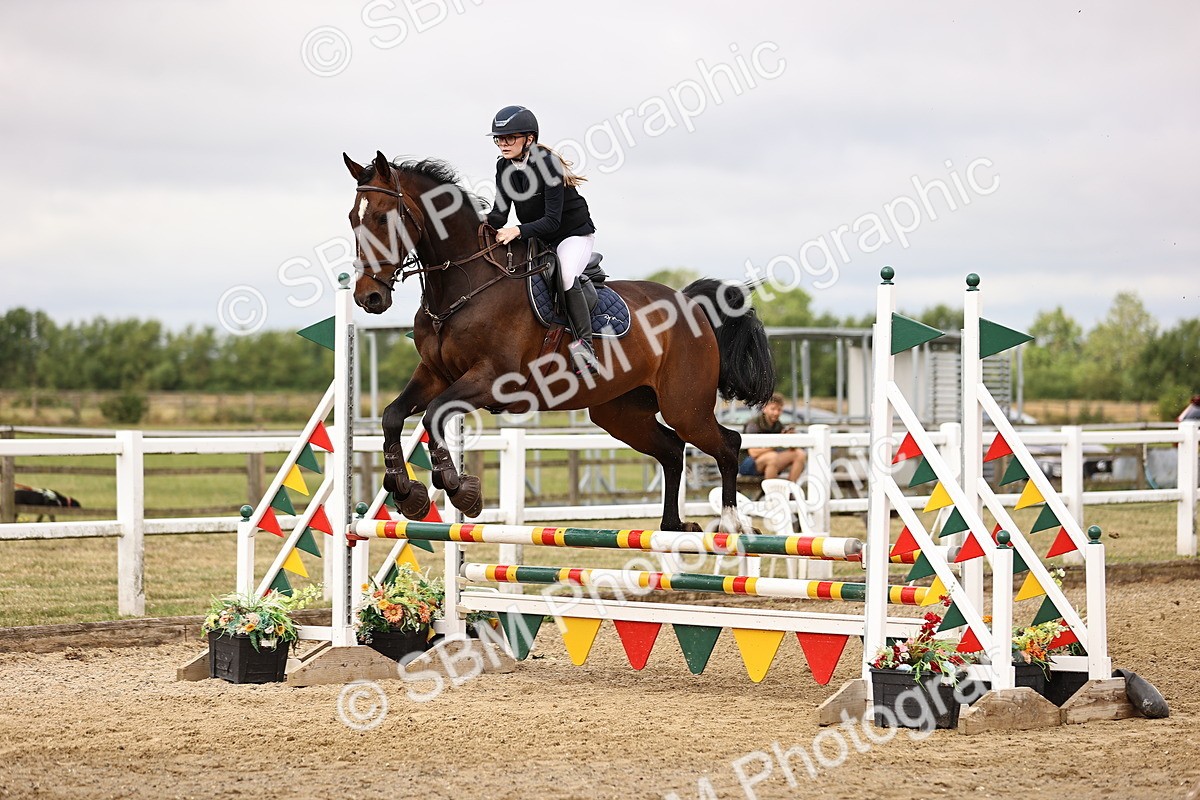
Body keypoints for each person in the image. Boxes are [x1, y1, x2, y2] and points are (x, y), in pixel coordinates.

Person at [485, 105, 600, 374]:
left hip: (572, 234)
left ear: (529, 139)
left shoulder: (548, 165)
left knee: (567, 275)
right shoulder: (503, 166)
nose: (503, 144)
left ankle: (586, 349)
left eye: (509, 138)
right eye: (499, 139)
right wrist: (474, 224)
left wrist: (518, 231)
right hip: (539, 237)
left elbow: (552, 221)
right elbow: (499, 215)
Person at [739, 393, 807, 482]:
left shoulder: (778, 425)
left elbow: (788, 448)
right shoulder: (753, 424)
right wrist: (778, 443)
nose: (776, 413)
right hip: (747, 464)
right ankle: (773, 494)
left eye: (779, 409)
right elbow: (753, 452)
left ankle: (790, 491)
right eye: (773, 409)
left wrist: (790, 439)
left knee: (800, 454)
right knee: (772, 457)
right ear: (764, 408)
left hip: (770, 461)